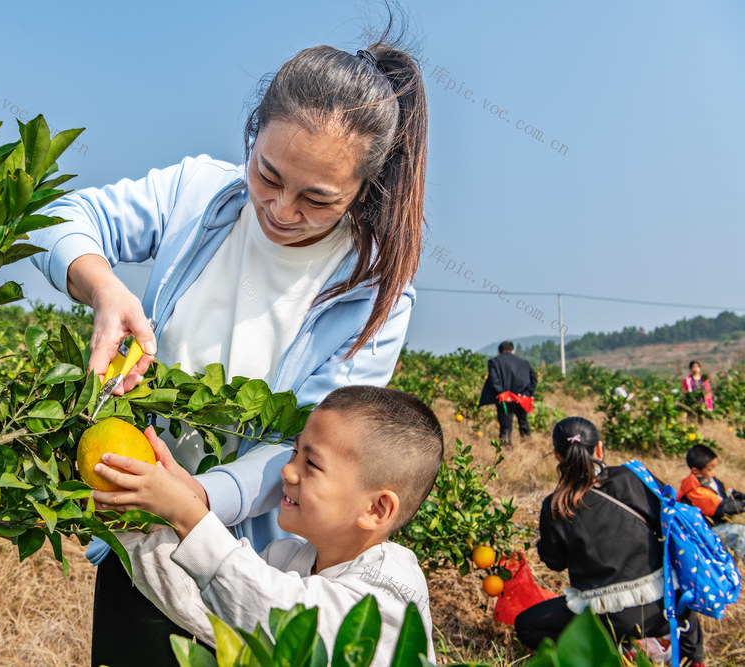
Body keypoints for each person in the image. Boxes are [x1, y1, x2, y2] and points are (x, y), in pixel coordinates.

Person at [27, 22, 430, 666]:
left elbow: (302, 442)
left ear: (363, 191)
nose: (280, 209)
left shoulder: (372, 291)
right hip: (142, 542)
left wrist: (198, 502)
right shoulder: (199, 194)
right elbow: (56, 218)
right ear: (252, 136)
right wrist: (103, 289)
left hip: (260, 573)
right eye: (267, 175)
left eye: (318, 199)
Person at [93, 386, 442, 665]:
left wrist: (188, 513)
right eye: (294, 453)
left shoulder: (390, 594)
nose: (288, 472)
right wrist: (136, 522)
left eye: (312, 464)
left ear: (377, 508)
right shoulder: (288, 558)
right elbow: (207, 605)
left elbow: (279, 613)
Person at [514, 417, 705, 666]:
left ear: (557, 455)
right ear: (600, 448)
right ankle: (691, 656)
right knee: (683, 606)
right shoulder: (633, 477)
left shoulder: (555, 505)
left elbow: (555, 563)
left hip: (604, 618)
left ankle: (611, 650)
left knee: (526, 625)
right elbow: (668, 522)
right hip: (663, 610)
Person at [678, 444, 745, 559]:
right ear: (695, 470)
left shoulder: (710, 480)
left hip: (717, 526)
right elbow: (722, 508)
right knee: (740, 532)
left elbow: (729, 492)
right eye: (710, 469)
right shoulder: (695, 490)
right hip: (705, 533)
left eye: (714, 467)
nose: (713, 473)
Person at [478, 341, 538, 448]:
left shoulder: (494, 362)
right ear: (512, 351)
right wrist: (527, 393)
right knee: (523, 423)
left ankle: (507, 450)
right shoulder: (524, 362)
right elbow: (534, 378)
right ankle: (529, 446)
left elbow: (493, 380)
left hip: (504, 400)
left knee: (505, 428)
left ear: (499, 352)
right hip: (521, 398)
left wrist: (502, 393)